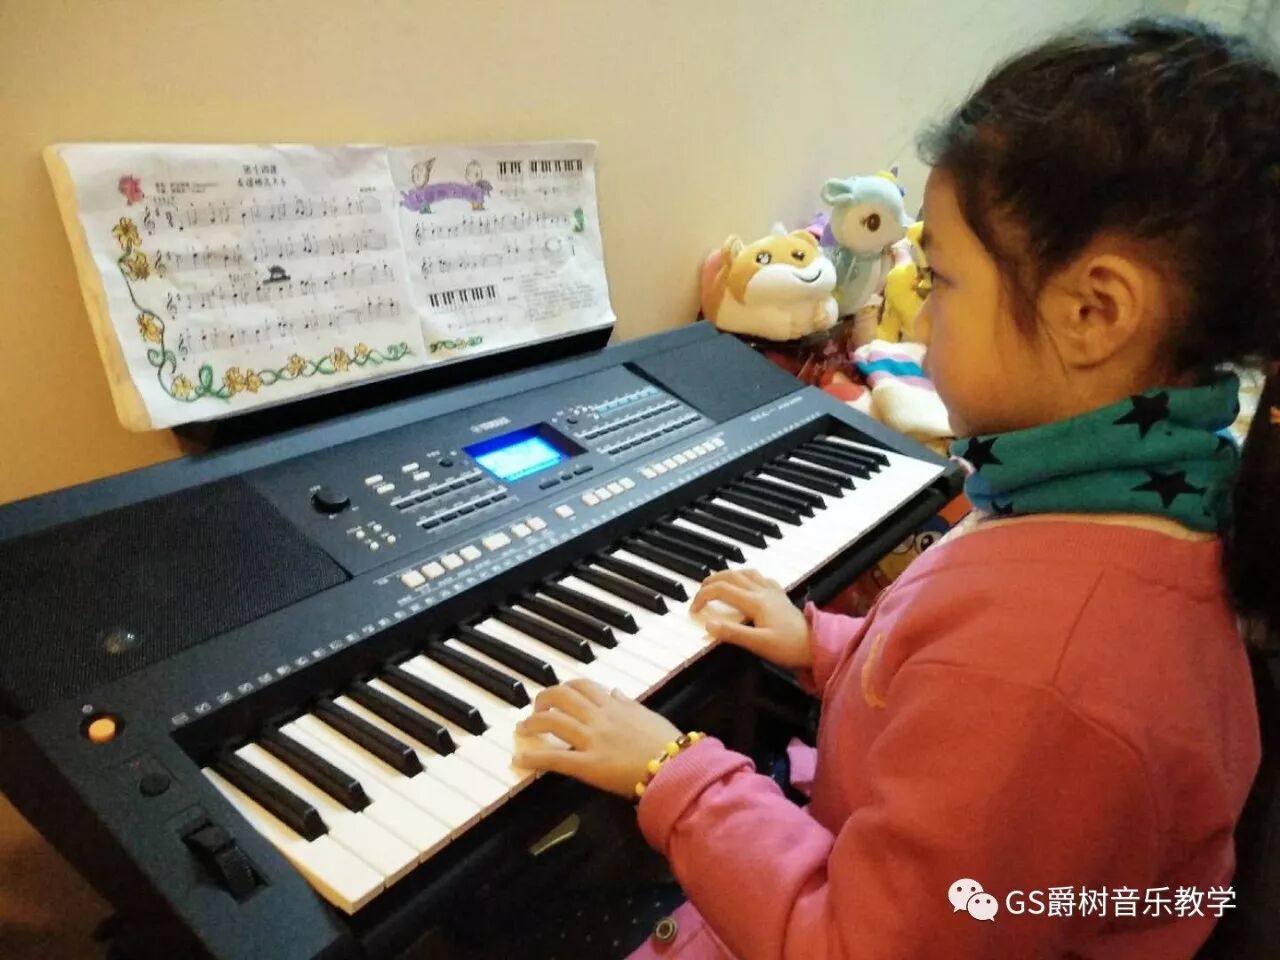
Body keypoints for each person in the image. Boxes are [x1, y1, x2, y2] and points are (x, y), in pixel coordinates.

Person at [514, 16, 1280, 958]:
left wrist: (673, 772)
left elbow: (862, 941)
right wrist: (829, 647)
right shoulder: (1130, 506)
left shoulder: (1048, 670)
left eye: (943, 280)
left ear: (1094, 311)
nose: (914, 312)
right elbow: (950, 702)